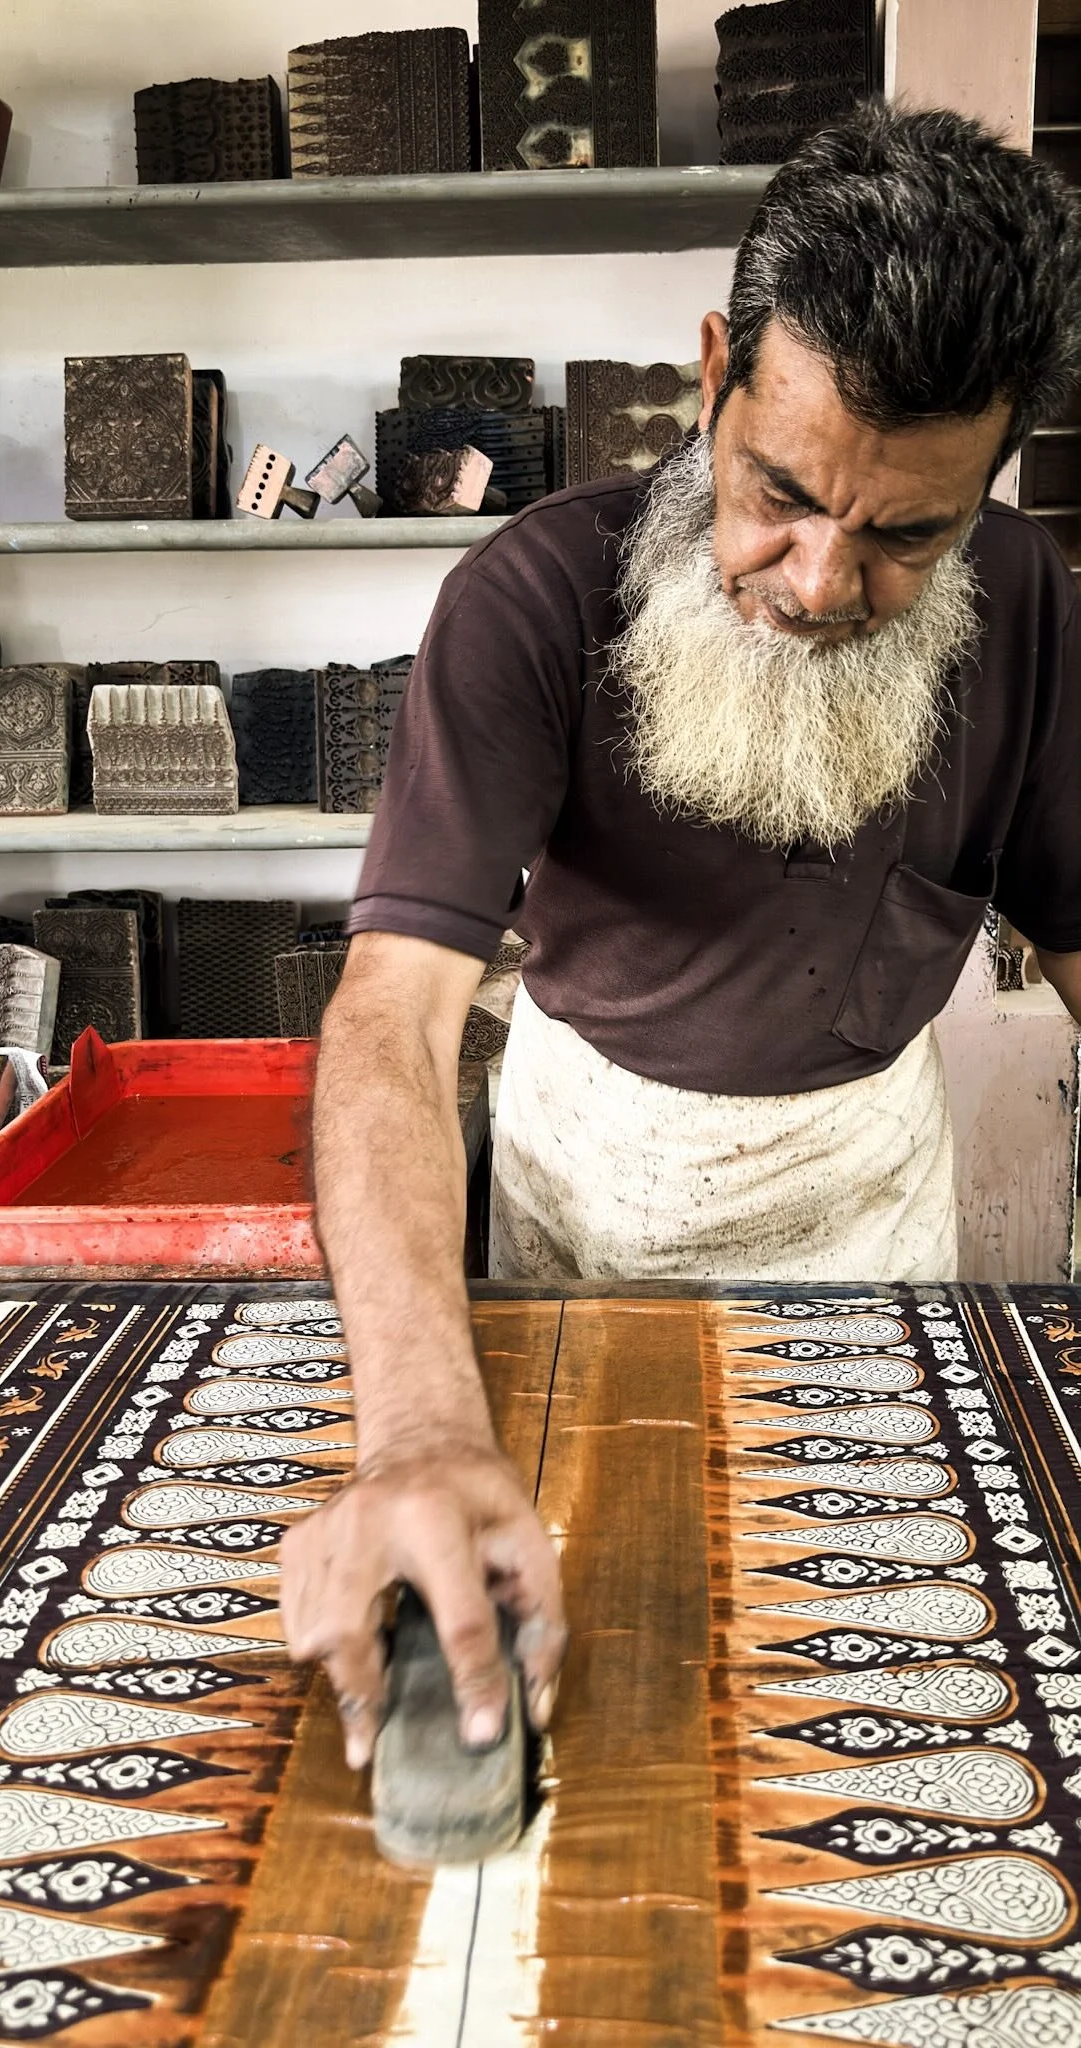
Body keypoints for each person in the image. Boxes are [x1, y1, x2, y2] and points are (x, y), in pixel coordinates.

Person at [280, 102, 1081, 1766]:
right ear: (714, 367)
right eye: (777, 490)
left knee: (858, 1684)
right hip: (588, 1184)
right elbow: (392, 1016)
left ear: (990, 483)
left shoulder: (1034, 611)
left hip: (867, 1196)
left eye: (905, 535)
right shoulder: (529, 599)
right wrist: (421, 1425)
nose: (811, 579)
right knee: (572, 1659)